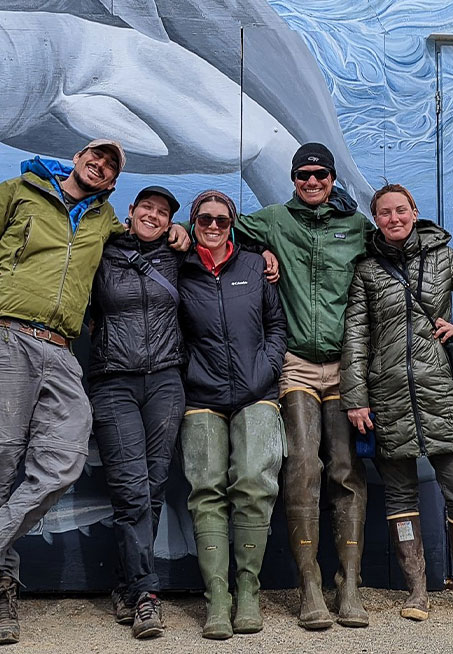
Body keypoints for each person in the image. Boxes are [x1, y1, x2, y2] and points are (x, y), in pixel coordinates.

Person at [0, 140, 188, 645]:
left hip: (62, 348)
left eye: (112, 166)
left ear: (114, 183)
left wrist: (176, 230)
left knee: (66, 461)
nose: (100, 166)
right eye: (95, 157)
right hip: (6, 336)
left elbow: (142, 231)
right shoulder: (16, 192)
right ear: (77, 158)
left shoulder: (104, 220)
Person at [235, 142, 453, 629]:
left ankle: (350, 585)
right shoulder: (274, 219)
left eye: (321, 175)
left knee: (347, 470)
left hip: (354, 371)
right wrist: (256, 249)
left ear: (333, 180)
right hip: (298, 366)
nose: (312, 182)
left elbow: (435, 269)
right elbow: (217, 231)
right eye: (303, 175)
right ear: (293, 179)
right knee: (303, 468)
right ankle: (310, 585)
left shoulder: (359, 231)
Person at [341, 183, 453, 622]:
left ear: (414, 212)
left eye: (400, 210)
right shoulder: (367, 271)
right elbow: (355, 337)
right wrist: (356, 397)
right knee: (400, 499)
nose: (393, 218)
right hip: (388, 396)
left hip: (440, 394)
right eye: (384, 213)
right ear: (376, 219)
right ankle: (416, 589)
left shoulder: (445, 259)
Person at [177, 190, 287, 640]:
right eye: (206, 219)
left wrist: (271, 363)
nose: (215, 226)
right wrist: (187, 367)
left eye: (223, 220)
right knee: (206, 490)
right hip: (200, 394)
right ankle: (217, 599)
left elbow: (276, 324)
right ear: (193, 221)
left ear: (233, 223)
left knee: (255, 483)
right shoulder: (178, 266)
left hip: (256, 390)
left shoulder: (254, 266)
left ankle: (248, 593)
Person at [87, 185, 186, 639]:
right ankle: (147, 595)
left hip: (166, 379)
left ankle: (128, 585)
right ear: (130, 212)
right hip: (113, 381)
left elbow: (224, 246)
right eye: (147, 207)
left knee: (154, 486)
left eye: (163, 212)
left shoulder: (175, 255)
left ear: (170, 222)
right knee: (131, 490)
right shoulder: (101, 250)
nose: (154, 215)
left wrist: (266, 258)